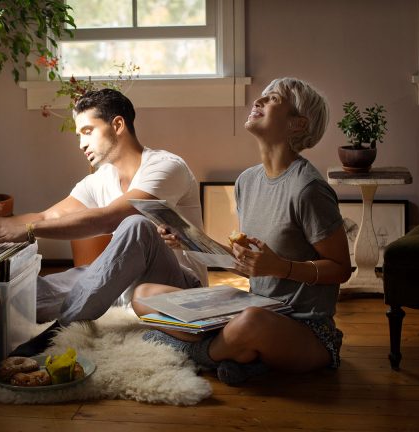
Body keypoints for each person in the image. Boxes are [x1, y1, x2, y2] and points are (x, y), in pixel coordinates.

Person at [132, 77, 352, 385]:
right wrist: (186, 242)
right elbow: (248, 266)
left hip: (305, 327)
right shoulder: (247, 182)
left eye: (273, 99)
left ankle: (197, 351)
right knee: (144, 295)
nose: (258, 101)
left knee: (250, 324)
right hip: (254, 306)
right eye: (261, 97)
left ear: (297, 124)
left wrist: (283, 268)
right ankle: (240, 356)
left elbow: (341, 269)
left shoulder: (309, 189)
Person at [0, 88, 208, 357]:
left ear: (117, 124)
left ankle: (59, 331)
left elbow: (111, 218)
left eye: (87, 131)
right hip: (123, 281)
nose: (81, 144)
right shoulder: (101, 179)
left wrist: (25, 231)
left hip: (180, 288)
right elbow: (48, 216)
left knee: (135, 225)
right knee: (27, 298)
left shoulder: (166, 166)